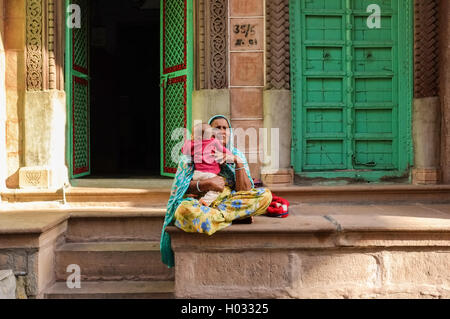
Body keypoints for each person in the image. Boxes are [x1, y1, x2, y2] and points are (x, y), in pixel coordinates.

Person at [160, 115, 272, 268]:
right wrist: (208, 183)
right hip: (200, 201)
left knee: (265, 195)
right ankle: (234, 217)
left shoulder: (236, 154)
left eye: (225, 128)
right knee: (184, 211)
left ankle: (218, 217)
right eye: (216, 128)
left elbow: (245, 190)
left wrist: (235, 161)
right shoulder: (192, 154)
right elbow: (180, 187)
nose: (221, 131)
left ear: (230, 132)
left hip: (227, 200)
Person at [182, 123, 234, 207]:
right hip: (210, 175)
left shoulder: (192, 143)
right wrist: (230, 156)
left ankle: (193, 195)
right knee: (217, 189)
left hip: (196, 174)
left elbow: (184, 151)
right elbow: (226, 152)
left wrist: (191, 142)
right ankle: (204, 201)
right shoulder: (214, 141)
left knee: (193, 185)